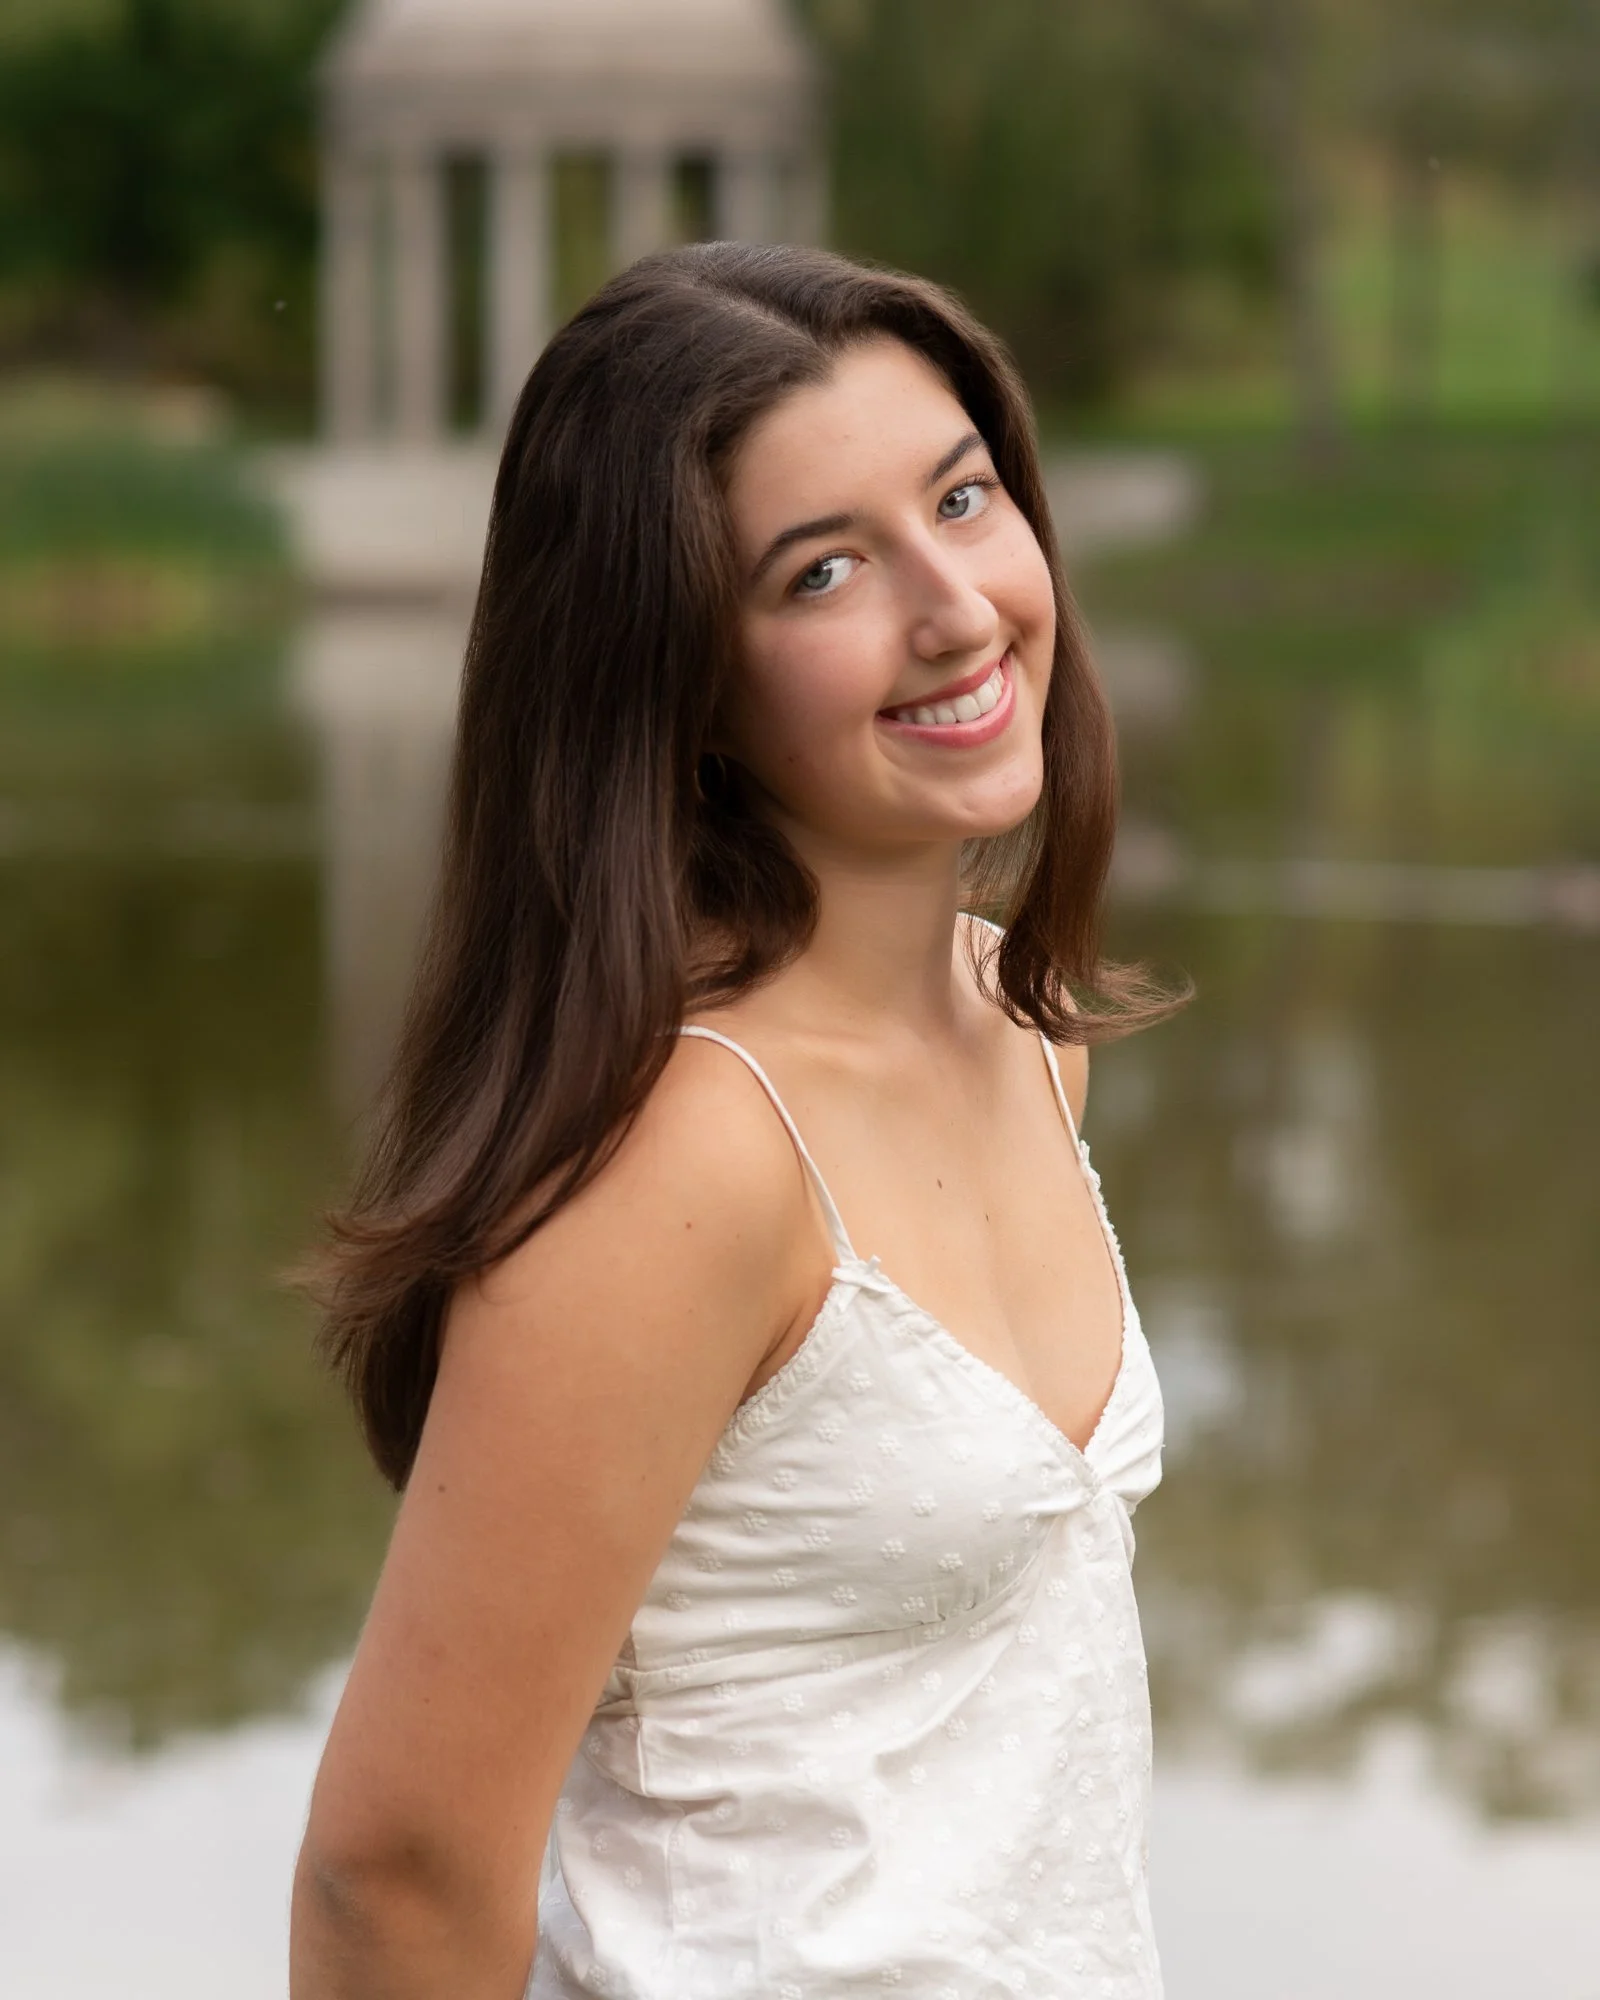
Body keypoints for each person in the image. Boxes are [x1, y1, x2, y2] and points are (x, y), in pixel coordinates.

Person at [290, 241, 1179, 2000]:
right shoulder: (678, 1163)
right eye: (825, 569)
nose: (956, 607)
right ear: (676, 677)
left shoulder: (1026, 1033)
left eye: (965, 496)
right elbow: (395, 1877)